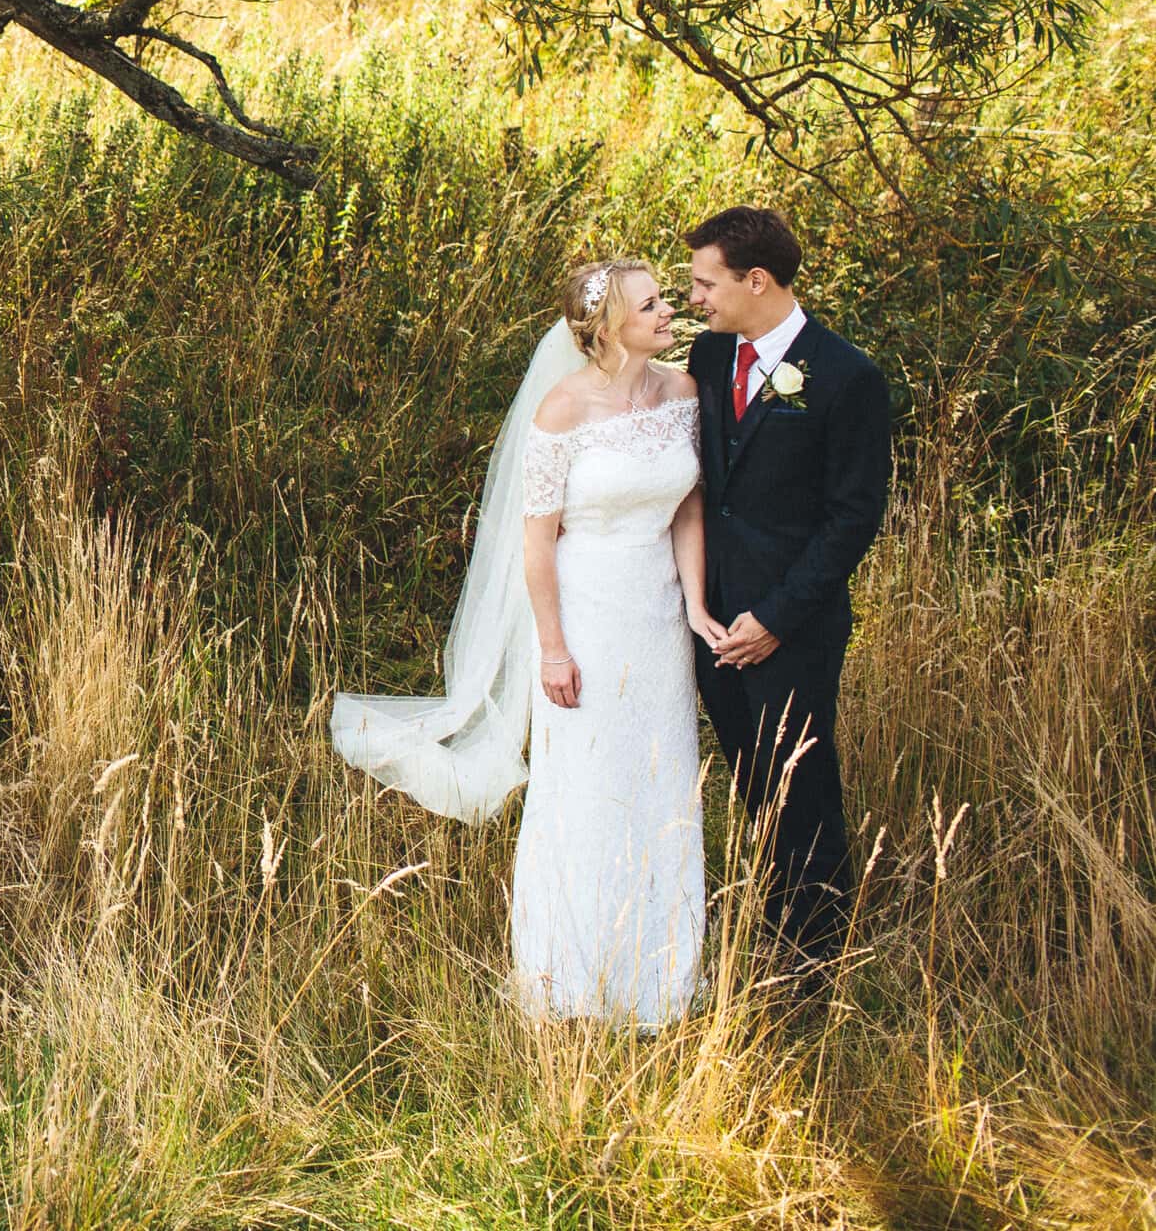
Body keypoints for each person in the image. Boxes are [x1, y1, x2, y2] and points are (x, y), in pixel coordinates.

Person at [331, 259, 710, 1026]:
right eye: (652, 303)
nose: (669, 310)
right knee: (585, 782)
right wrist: (554, 649)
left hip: (659, 616)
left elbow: (689, 510)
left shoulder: (682, 392)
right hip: (586, 615)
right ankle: (570, 972)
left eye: (665, 298)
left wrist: (698, 608)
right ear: (607, 328)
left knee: (661, 774)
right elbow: (536, 546)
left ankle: (662, 973)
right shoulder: (561, 412)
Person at [681, 206, 892, 982]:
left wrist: (774, 618)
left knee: (803, 792)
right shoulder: (707, 358)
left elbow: (851, 518)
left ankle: (815, 966)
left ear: (756, 280)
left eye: (706, 283)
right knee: (752, 787)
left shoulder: (846, 375)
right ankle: (775, 930)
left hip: (791, 625)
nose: (696, 298)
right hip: (711, 625)